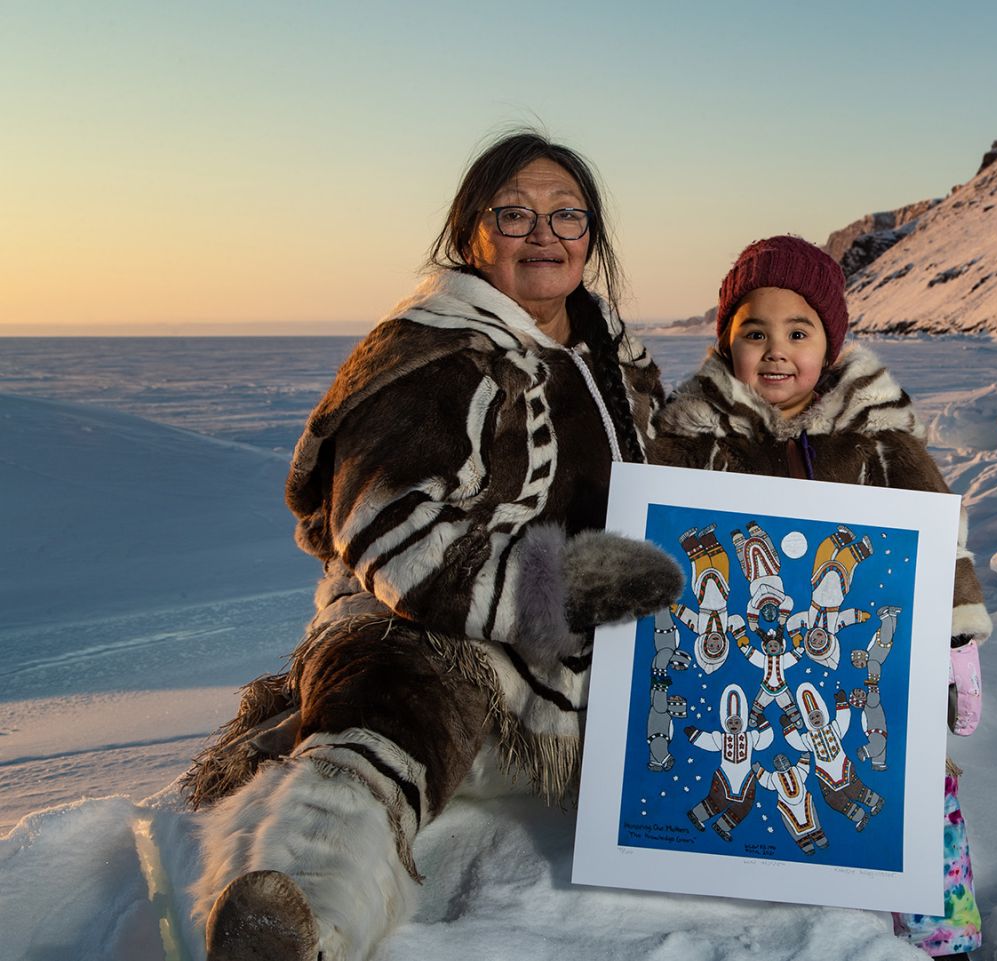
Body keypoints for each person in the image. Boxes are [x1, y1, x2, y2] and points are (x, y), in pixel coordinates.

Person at [183, 131, 682, 961]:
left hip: (594, 654)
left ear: (592, 236)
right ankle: (295, 918)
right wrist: (558, 587)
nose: (544, 234)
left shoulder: (616, 360)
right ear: (470, 235)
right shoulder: (428, 353)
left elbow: (683, 484)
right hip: (443, 634)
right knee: (383, 718)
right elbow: (390, 532)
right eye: (515, 213)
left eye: (567, 215)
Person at [649, 235, 989, 958]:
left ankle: (943, 929)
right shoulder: (694, 438)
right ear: (726, 342)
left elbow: (939, 533)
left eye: (798, 332)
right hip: (741, 656)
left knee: (918, 778)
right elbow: (655, 534)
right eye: (754, 333)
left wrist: (956, 637)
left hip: (862, 650)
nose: (776, 352)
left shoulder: (877, 435)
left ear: (830, 344)